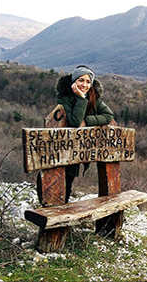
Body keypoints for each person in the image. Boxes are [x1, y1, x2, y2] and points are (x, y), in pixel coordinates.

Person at [55, 65, 114, 203]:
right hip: (64, 147)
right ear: (74, 81)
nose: (85, 85)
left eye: (88, 82)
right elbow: (75, 121)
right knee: (61, 186)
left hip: (80, 148)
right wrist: (81, 98)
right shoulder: (64, 97)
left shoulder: (93, 97)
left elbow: (108, 115)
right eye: (81, 80)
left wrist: (87, 121)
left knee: (68, 186)